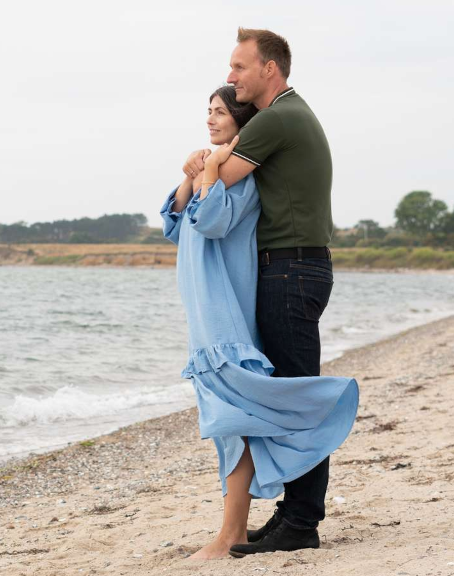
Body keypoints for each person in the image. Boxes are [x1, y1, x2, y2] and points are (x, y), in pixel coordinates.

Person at [159, 84, 358, 560]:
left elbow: (210, 222)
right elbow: (175, 223)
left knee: (238, 418)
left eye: (220, 111)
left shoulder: (244, 180)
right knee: (234, 419)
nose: (210, 118)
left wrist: (208, 168)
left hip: (225, 314)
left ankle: (240, 530)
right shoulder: (217, 172)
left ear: (241, 119)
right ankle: (241, 528)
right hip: (206, 316)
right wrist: (191, 175)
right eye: (206, 111)